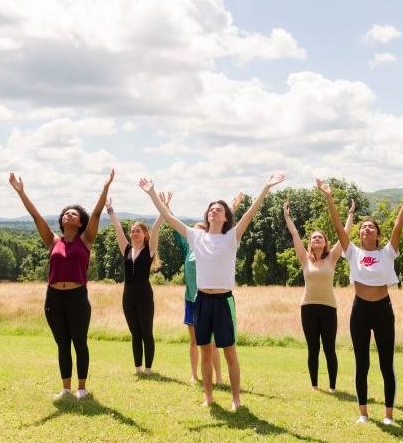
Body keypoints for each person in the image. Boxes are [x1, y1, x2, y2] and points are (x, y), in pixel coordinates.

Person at [140, 173, 285, 410]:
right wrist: (152, 193)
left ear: (226, 216)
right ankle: (208, 397)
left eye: (218, 209)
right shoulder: (197, 236)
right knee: (205, 352)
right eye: (210, 210)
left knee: (229, 353)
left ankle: (236, 400)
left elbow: (251, 213)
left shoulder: (231, 237)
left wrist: (266, 188)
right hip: (202, 301)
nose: (213, 212)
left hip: (224, 301)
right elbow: (167, 216)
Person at [320, 176, 403, 425]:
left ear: (377, 234)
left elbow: (398, 226)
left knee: (387, 364)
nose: (366, 229)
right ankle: (363, 413)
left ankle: (388, 415)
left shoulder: (388, 252)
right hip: (360, 310)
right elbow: (338, 228)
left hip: (383, 310)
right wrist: (329, 198)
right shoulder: (352, 252)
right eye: (363, 227)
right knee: (362, 363)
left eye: (371, 227)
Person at [9, 169, 114, 399]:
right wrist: (21, 193)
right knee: (62, 344)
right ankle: (66, 389)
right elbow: (36, 217)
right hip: (54, 298)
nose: (68, 215)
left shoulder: (86, 240)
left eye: (73, 214)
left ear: (80, 223)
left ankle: (82, 389)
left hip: (77, 298)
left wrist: (105, 189)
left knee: (80, 342)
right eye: (66, 213)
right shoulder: (53, 241)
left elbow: (96, 215)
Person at [170, 193, 245, 384]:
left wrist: (233, 208)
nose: (197, 232)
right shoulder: (190, 248)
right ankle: (195, 376)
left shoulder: (210, 244)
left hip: (216, 299)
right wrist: (165, 206)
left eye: (199, 230)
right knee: (198, 342)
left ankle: (219, 377)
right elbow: (175, 225)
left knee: (214, 344)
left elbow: (222, 230)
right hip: (193, 299)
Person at [282, 198, 355, 392]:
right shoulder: (305, 259)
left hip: (329, 308)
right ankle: (314, 386)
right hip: (308, 307)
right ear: (310, 243)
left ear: (325, 243)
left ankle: (332, 387)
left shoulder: (332, 257)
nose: (316, 240)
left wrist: (350, 214)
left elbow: (344, 234)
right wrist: (287, 216)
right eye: (313, 238)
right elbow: (295, 234)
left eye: (320, 238)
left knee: (329, 348)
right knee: (313, 348)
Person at [106, 194, 165, 374]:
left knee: (146, 333)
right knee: (135, 334)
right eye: (132, 230)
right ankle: (138, 369)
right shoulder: (126, 249)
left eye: (137, 230)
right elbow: (117, 228)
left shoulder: (149, 250)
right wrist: (110, 210)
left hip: (145, 295)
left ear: (144, 235)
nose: (133, 232)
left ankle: (148, 370)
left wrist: (163, 208)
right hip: (128, 295)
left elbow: (156, 227)